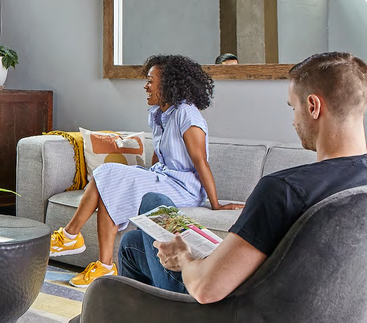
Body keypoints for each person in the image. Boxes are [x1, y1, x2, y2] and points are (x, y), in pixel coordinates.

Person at [120, 51, 367, 301]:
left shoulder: (282, 189)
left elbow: (206, 289)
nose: (294, 121)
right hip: (317, 317)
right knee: (132, 244)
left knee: (153, 201)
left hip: (232, 318)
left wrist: (185, 257)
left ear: (313, 106)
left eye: (293, 107)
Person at [49, 54, 242, 288]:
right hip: (163, 177)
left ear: (169, 84)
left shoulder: (186, 113)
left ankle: (70, 237)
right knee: (112, 185)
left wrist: (216, 203)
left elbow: (200, 161)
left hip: (184, 188)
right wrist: (146, 175)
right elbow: (159, 153)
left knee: (109, 172)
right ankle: (104, 265)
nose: (146, 86)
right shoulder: (160, 113)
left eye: (151, 81)